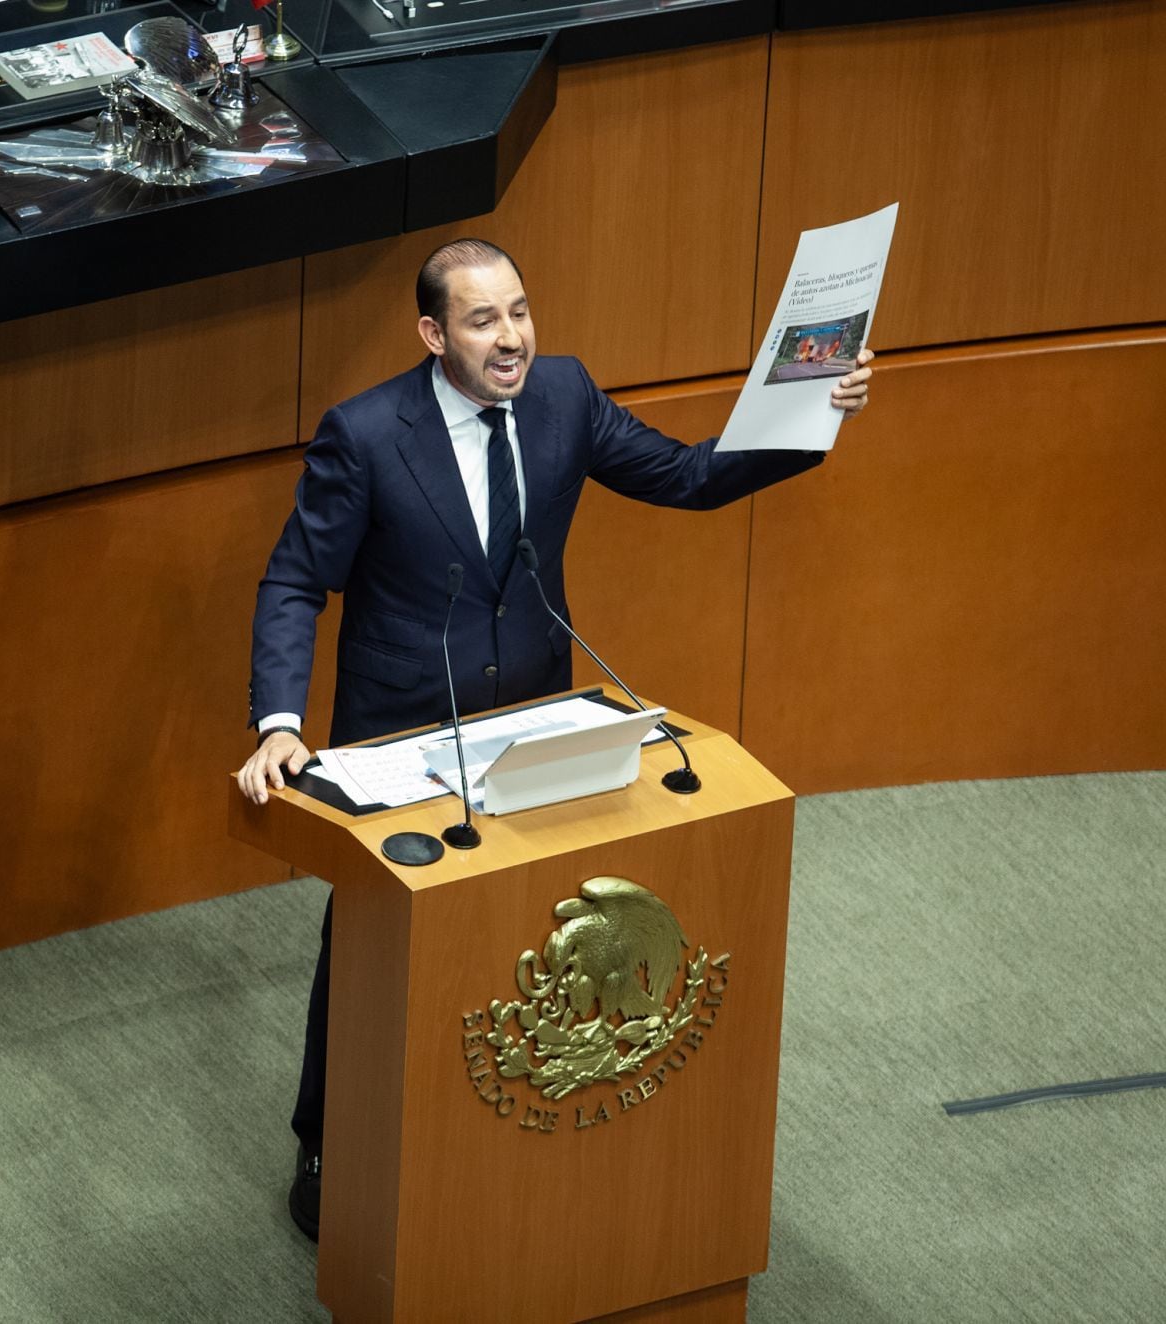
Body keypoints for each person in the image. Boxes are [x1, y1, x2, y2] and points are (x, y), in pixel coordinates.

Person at [234, 238, 874, 1242]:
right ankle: (328, 1140)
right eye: (484, 320)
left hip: (532, 713)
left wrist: (804, 416)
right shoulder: (364, 435)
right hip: (404, 724)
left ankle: (479, 1131)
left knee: (510, 920)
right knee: (367, 941)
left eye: (521, 312)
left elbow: (688, 475)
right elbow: (293, 581)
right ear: (432, 333)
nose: (512, 338)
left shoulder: (565, 397)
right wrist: (280, 722)